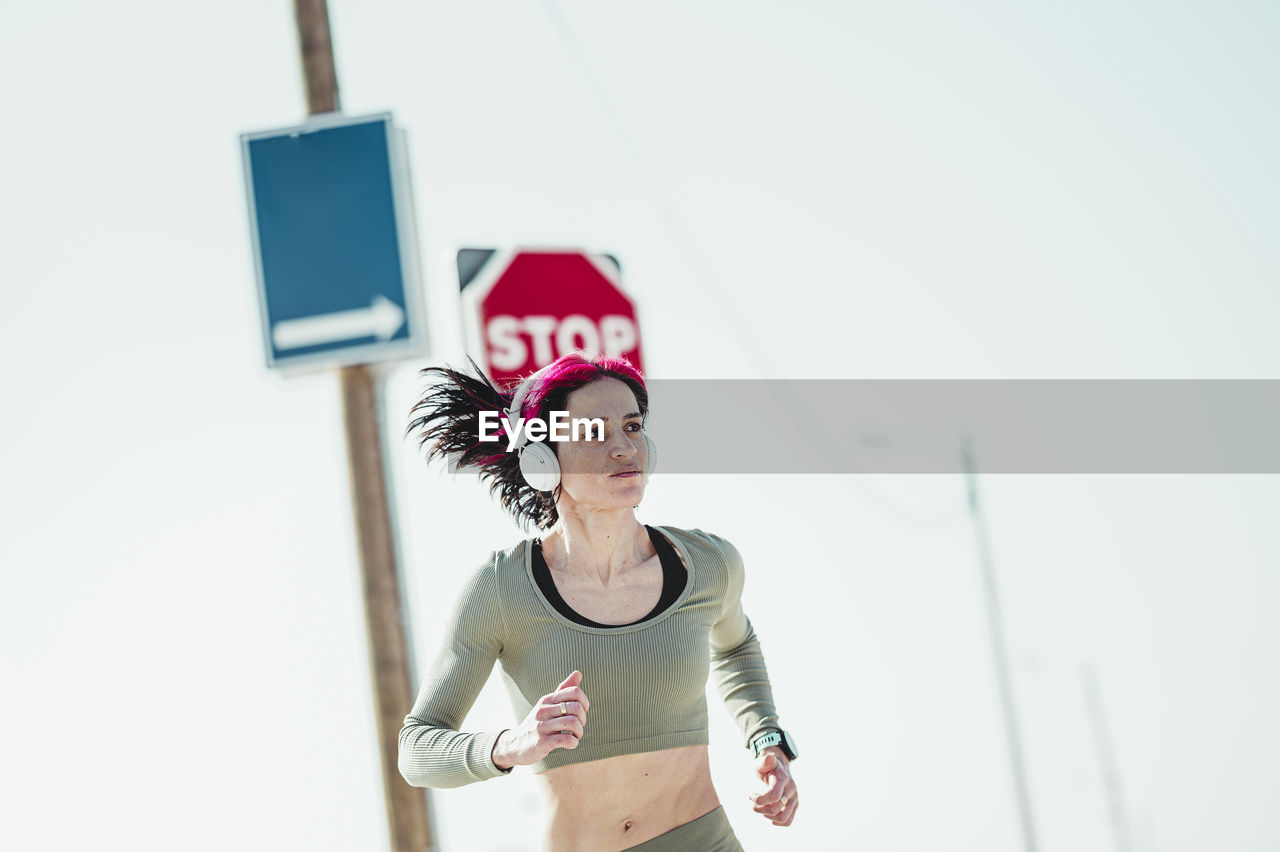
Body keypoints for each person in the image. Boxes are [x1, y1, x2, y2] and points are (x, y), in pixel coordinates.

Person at [398, 351, 799, 852]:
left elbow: (736, 646)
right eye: (593, 432)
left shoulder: (707, 565)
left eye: (632, 426)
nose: (622, 447)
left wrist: (767, 741)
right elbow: (416, 748)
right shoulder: (502, 588)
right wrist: (511, 746)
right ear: (542, 458)